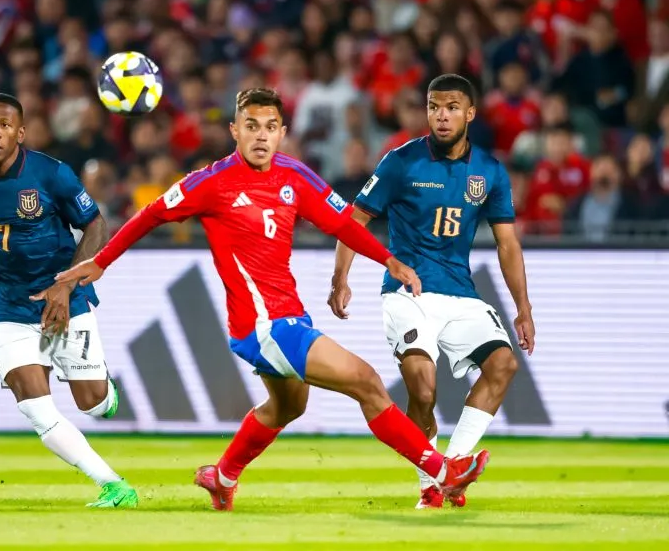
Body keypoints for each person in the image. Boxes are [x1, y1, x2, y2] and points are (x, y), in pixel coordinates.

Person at [55, 88, 490, 512]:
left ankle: (222, 476)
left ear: (282, 132)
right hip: (262, 325)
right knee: (366, 381)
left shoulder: (294, 175)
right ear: (234, 131)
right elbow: (150, 214)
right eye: (251, 126)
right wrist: (102, 261)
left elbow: (342, 223)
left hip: (287, 316)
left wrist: (388, 260)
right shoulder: (211, 182)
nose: (261, 136)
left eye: (270, 127)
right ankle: (442, 470)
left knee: (287, 406)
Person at [330, 74, 535, 509]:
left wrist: (523, 307)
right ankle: (430, 477)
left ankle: (452, 469)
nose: (441, 116)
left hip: (461, 294)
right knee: (422, 389)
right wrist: (340, 278)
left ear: (470, 113)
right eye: (434, 106)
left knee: (503, 365)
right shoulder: (400, 162)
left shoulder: (490, 172)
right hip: (409, 293)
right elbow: (354, 221)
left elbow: (508, 244)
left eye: (452, 107)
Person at [0, 93, 137, 509]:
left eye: (4, 125)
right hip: (6, 305)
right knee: (36, 407)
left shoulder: (52, 175)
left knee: (93, 404)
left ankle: (104, 394)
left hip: (62, 299)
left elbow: (95, 225)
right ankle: (113, 484)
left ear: (20, 133)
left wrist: (65, 285)